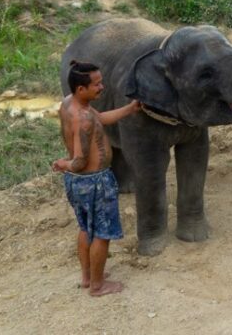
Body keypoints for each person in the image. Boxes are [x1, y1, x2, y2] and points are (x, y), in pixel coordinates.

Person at [52, 61, 141, 297]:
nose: (102, 87)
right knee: (102, 233)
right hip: (95, 182)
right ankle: (98, 286)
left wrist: (129, 109)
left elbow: (100, 117)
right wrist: (63, 163)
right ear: (81, 89)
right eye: (97, 84)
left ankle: (87, 277)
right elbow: (80, 160)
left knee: (85, 228)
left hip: (77, 183)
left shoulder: (69, 104)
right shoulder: (84, 118)